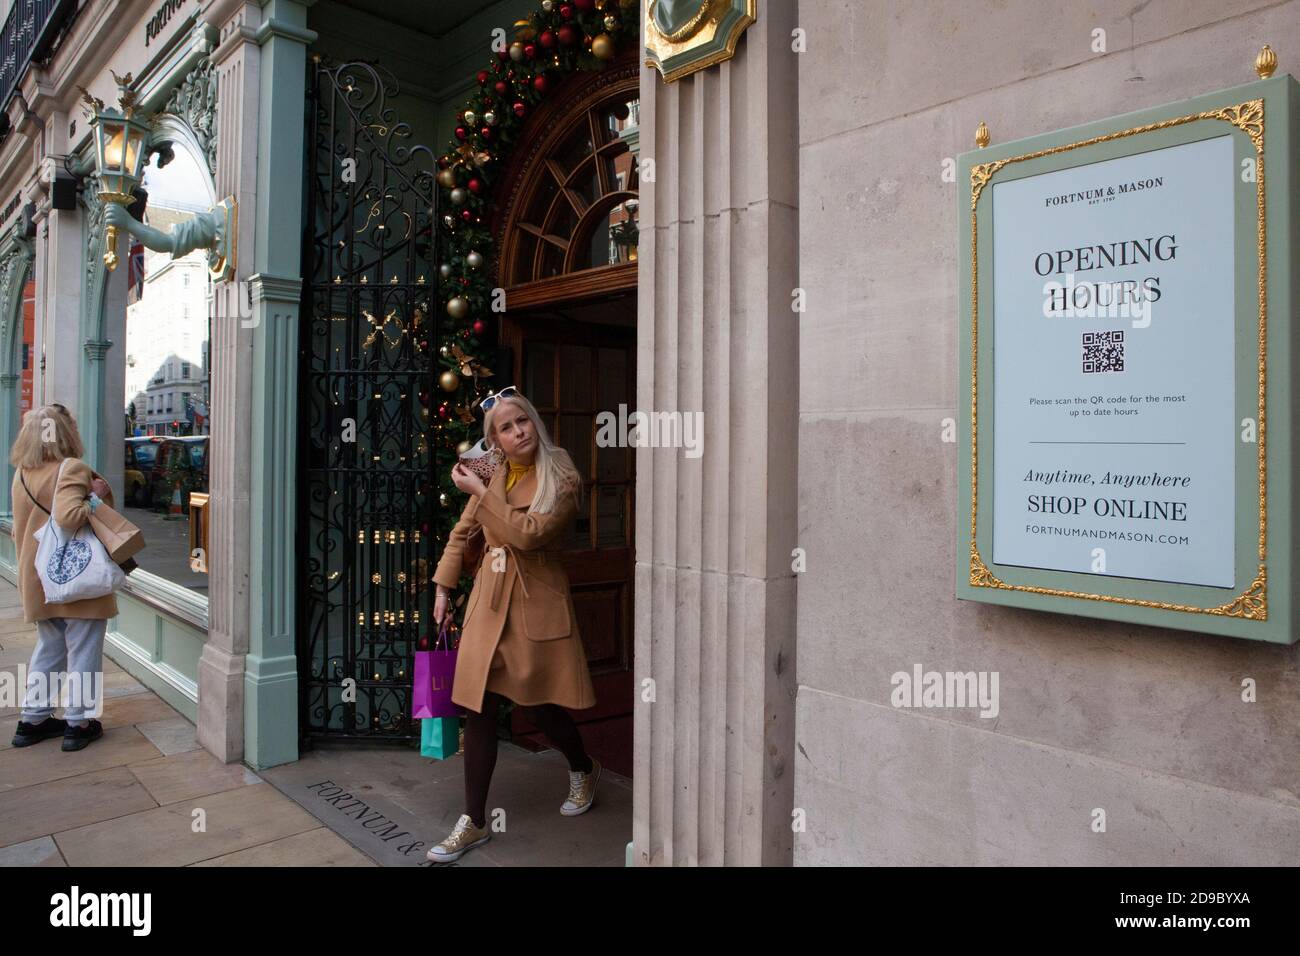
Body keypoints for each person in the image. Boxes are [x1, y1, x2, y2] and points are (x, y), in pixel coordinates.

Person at [427, 387, 598, 863]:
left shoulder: (560, 472)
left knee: (539, 707)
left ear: (533, 422)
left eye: (522, 420)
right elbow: (463, 532)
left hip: (534, 599)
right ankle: (474, 820)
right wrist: (443, 588)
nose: (518, 431)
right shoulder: (496, 471)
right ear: (495, 440)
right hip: (488, 600)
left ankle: (583, 767)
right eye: (506, 427)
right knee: (478, 706)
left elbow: (529, 535)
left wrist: (482, 493)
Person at [8, 404, 119, 751]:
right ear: (66, 433)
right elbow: (70, 517)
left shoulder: (23, 472)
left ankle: (33, 719)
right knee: (83, 647)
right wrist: (96, 498)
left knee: (50, 647)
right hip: (75, 575)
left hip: (38, 575)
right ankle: (78, 723)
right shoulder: (71, 468)